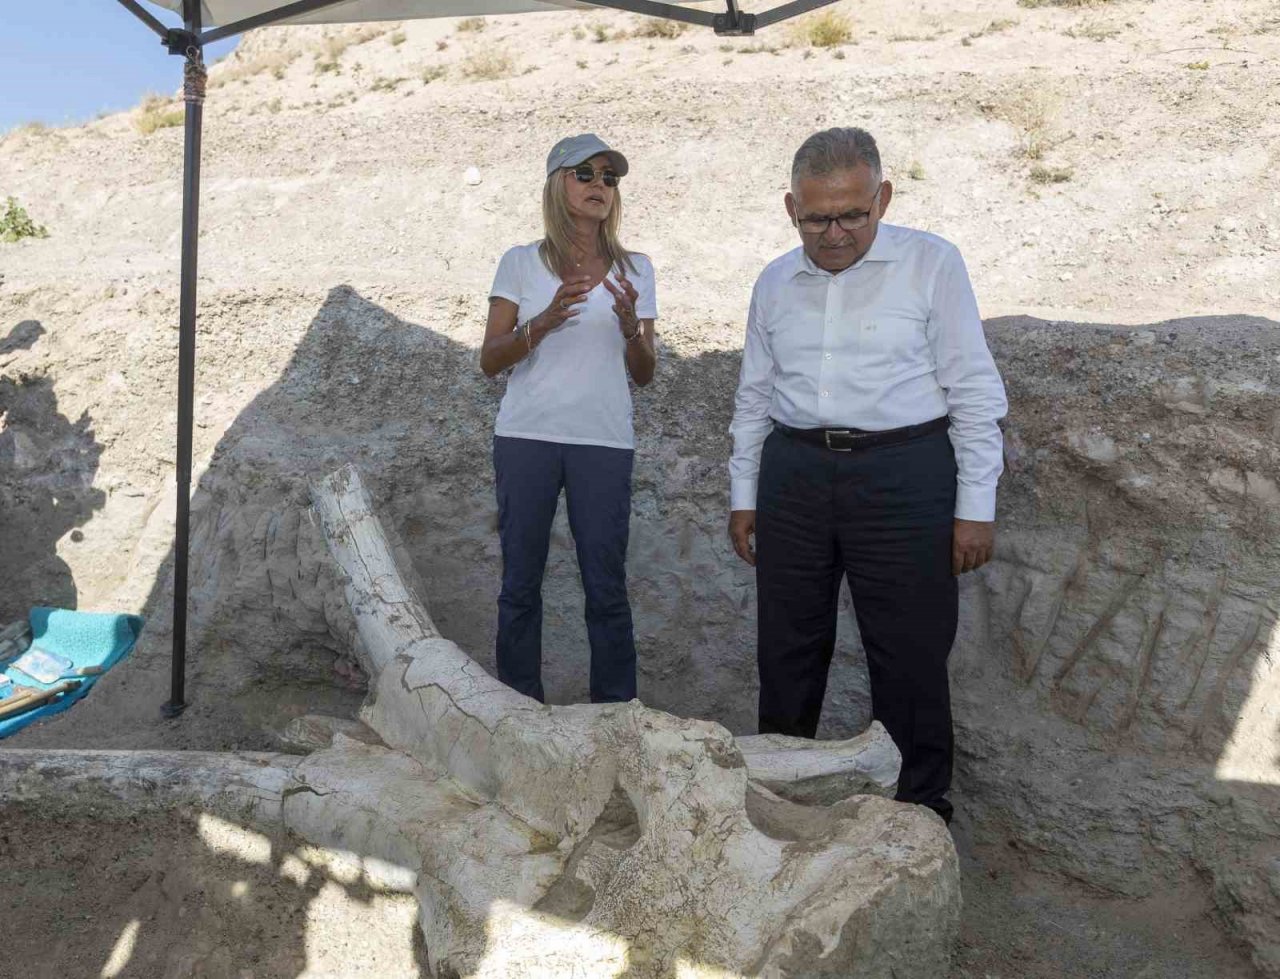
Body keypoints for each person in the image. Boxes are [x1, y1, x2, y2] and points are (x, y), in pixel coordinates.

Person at [727, 127, 1007, 824]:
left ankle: (916, 818)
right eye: (818, 216)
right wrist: (744, 494)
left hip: (904, 476)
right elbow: (753, 397)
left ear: (882, 197)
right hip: (793, 475)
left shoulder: (932, 265)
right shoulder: (773, 281)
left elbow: (973, 389)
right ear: (790, 207)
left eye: (853, 213)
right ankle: (780, 803)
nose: (836, 232)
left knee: (908, 656)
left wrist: (976, 505)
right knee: (787, 651)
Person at [480, 133, 657, 704]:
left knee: (606, 588)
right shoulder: (520, 262)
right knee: (520, 586)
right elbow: (490, 358)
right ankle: (518, 714)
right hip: (526, 438)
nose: (600, 186)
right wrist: (546, 319)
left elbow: (645, 373)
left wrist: (632, 327)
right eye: (587, 174)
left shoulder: (636, 269)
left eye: (610, 178)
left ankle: (615, 719)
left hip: (602, 442)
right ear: (558, 183)